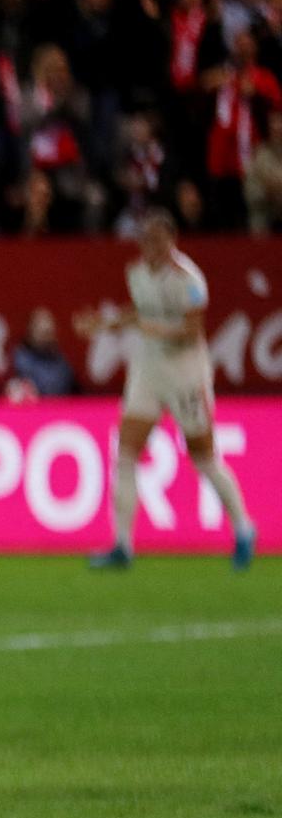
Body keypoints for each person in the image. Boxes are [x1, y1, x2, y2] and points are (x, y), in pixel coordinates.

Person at [77, 210, 257, 571]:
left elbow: (192, 330)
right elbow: (140, 312)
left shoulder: (188, 278)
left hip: (185, 373)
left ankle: (243, 527)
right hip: (148, 369)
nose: (149, 247)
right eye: (145, 240)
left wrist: (154, 329)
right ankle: (123, 545)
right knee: (125, 451)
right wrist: (106, 323)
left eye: (157, 240)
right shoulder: (137, 272)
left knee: (203, 457)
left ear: (171, 241)